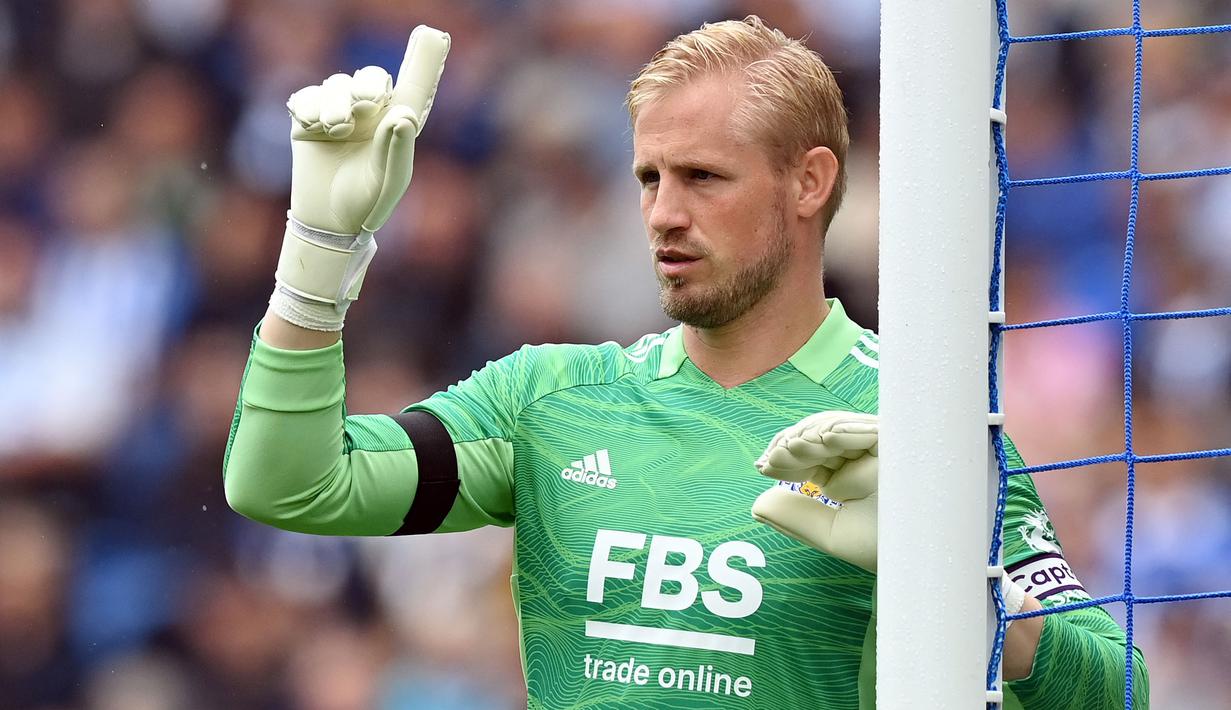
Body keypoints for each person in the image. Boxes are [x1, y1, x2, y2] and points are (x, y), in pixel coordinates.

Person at [224, 16, 1148, 709]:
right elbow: (289, 487)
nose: (664, 212)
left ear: (809, 182)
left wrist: (959, 576)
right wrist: (319, 252)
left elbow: (1118, 694)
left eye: (702, 177)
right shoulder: (548, 398)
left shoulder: (915, 421)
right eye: (648, 178)